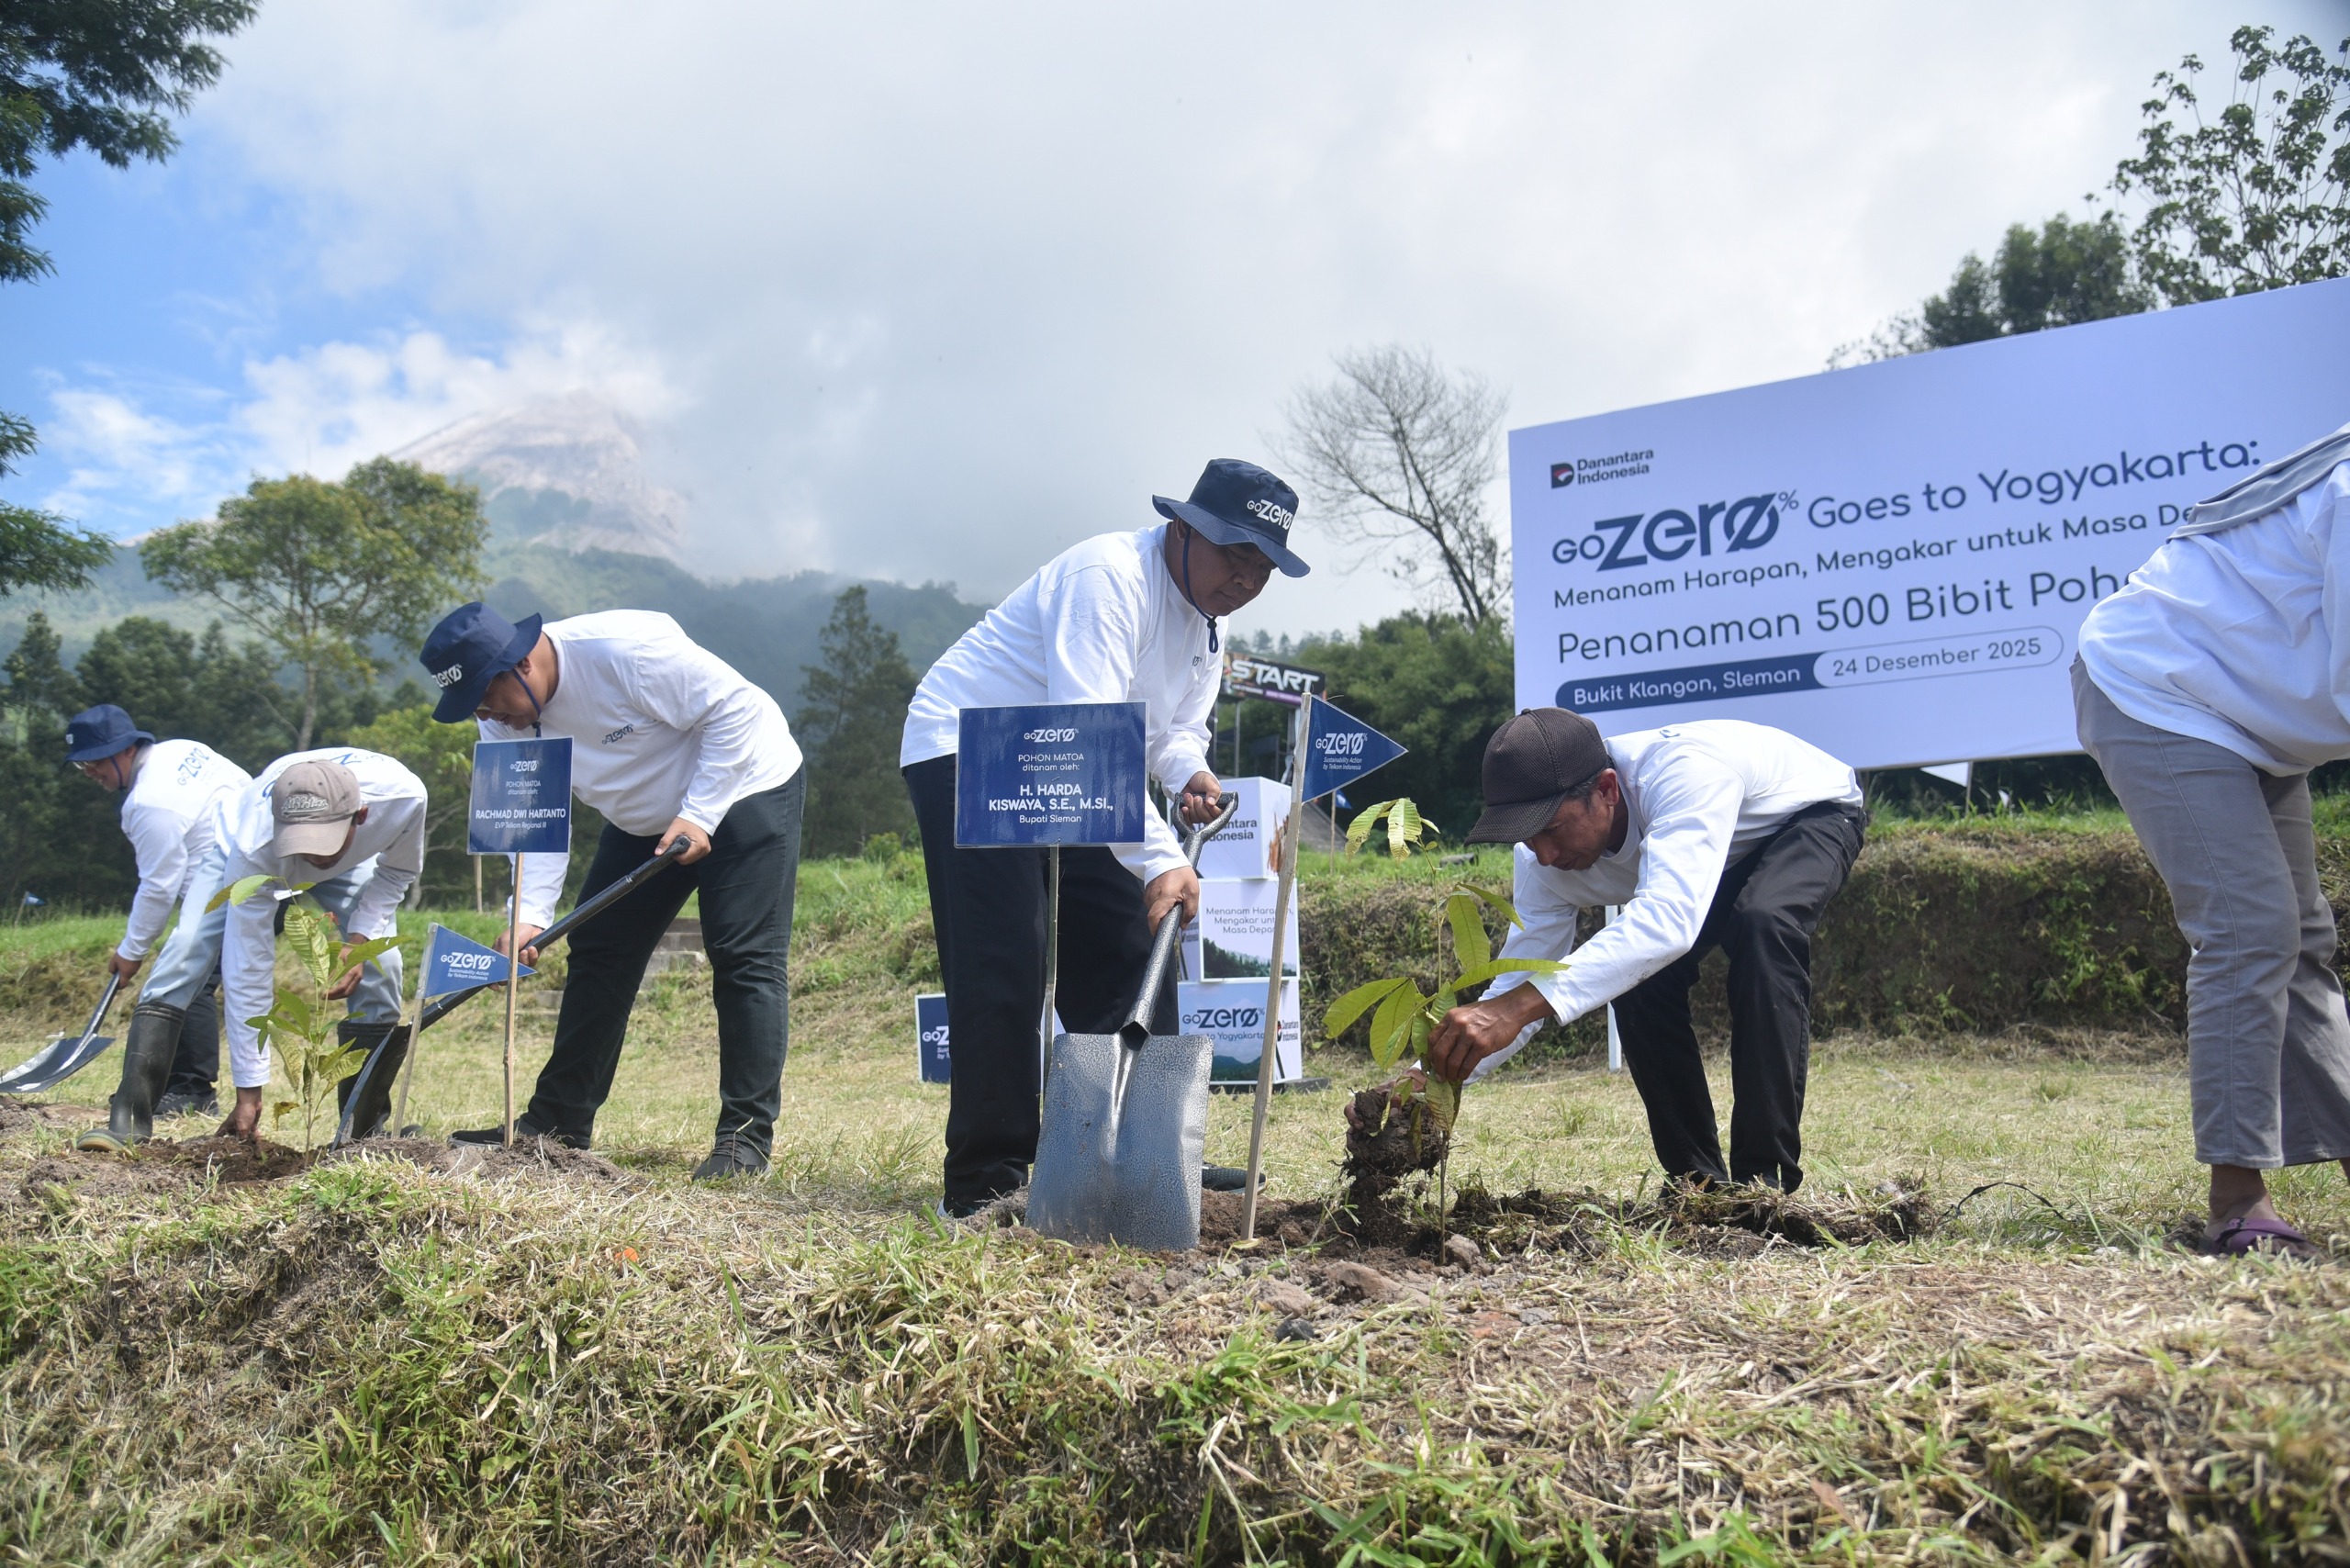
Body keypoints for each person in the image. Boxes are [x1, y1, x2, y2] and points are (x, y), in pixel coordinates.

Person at [900, 457, 1308, 1215]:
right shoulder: (1108, 577)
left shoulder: (1207, 629)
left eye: (1263, 568)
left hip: (1075, 755)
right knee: (1006, 953)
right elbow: (1088, 739)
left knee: (1129, 942)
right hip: (974, 745)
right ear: (1184, 530)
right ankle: (990, 1175)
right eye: (1234, 556)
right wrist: (1159, 858)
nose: (1246, 580)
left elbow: (1173, 731)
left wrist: (1192, 773)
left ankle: (1141, 1150)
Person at [2074, 420, 2350, 1258]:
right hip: (2160, 688)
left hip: (2256, 716)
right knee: (2247, 926)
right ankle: (2235, 1200)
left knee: (2300, 939)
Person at [417, 604, 805, 1181]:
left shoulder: (626, 653)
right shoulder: (498, 714)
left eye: (487, 697)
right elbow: (535, 820)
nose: (486, 715)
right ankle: (557, 1128)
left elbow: (738, 710)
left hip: (745, 784)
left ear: (521, 663)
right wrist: (526, 915)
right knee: (599, 951)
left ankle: (743, 1142)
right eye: (473, 706)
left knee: (742, 957)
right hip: (644, 816)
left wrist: (700, 814)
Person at [1424, 710, 1865, 1193]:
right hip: (1708, 857)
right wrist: (1422, 1083)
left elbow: (1669, 923)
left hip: (1806, 813)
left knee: (1763, 924)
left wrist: (1513, 1007)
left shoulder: (1684, 773)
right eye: (1527, 836)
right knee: (1637, 978)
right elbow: (1517, 987)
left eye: (1551, 828)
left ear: (1607, 791)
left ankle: (1764, 1183)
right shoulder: (1539, 857)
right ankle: (1697, 1186)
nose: (1544, 855)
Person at [208, 750, 428, 1141]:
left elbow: (398, 871)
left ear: (360, 816)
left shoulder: (403, 798)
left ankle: (362, 1128)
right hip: (269, 863)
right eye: (305, 842)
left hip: (355, 857)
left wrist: (357, 942)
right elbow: (247, 965)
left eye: (323, 841)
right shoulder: (253, 846)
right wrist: (249, 1091)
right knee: (196, 947)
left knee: (383, 965)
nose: (314, 854)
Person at [64, 706, 250, 1150]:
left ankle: (191, 1089)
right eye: (81, 763)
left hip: (235, 879)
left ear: (127, 750)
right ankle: (188, 1085)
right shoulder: (180, 751)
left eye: (96, 759)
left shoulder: (148, 803)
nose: (89, 771)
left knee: (192, 978)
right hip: (255, 860)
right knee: (198, 977)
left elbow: (159, 885)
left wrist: (132, 951)